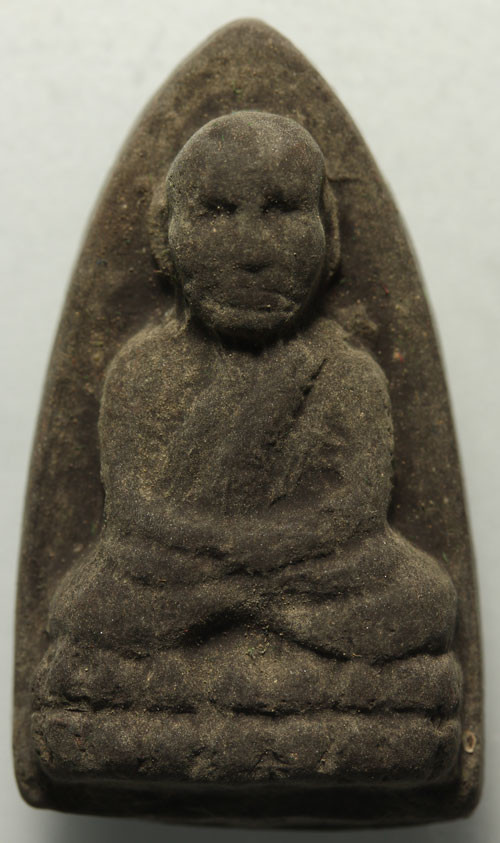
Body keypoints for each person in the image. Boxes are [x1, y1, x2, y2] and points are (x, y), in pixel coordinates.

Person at [33, 113, 461, 785]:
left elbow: (355, 514)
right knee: (84, 607)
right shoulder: (141, 371)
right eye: (217, 212)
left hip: (311, 580)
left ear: (329, 233)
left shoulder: (346, 373)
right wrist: (231, 560)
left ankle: (163, 715)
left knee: (423, 599)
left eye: (282, 210)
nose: (252, 249)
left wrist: (253, 566)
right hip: (182, 578)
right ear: (166, 234)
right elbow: (134, 515)